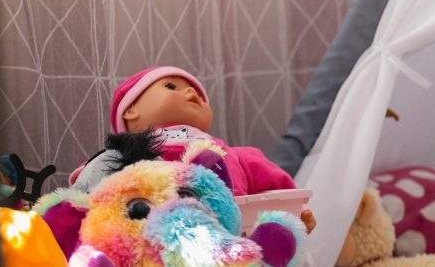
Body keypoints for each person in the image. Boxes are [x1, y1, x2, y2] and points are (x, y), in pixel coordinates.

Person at [104, 66, 317, 233]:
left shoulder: (235, 156)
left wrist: (296, 215)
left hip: (229, 245)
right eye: (171, 86)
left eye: (196, 92)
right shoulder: (120, 159)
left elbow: (278, 187)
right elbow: (89, 192)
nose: (189, 91)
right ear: (130, 110)